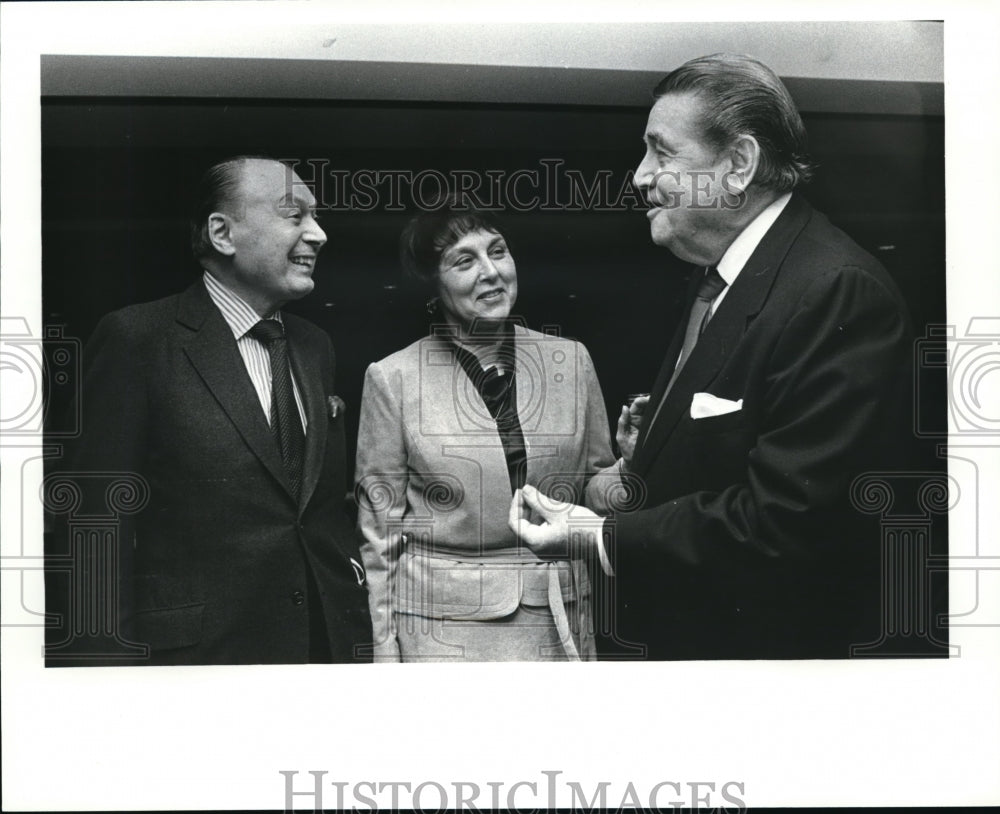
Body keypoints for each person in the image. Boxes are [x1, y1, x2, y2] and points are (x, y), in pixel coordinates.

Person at [510, 54, 914, 660]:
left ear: (739, 165)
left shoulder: (836, 289)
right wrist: (639, 464)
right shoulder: (722, 280)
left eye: (661, 152)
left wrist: (597, 535)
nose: (641, 177)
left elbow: (784, 522)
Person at [46, 156, 372, 665]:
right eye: (295, 215)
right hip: (195, 664)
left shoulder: (316, 346)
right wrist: (100, 682)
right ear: (222, 233)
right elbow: (93, 525)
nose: (319, 234)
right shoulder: (138, 339)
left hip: (323, 651)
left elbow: (313, 512)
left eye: (317, 216)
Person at [354, 198, 617, 661]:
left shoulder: (571, 360)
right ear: (433, 285)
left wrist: (631, 462)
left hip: (557, 621)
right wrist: (383, 647)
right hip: (444, 631)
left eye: (498, 251)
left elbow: (594, 494)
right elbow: (380, 533)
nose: (491, 272)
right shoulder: (392, 378)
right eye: (464, 260)